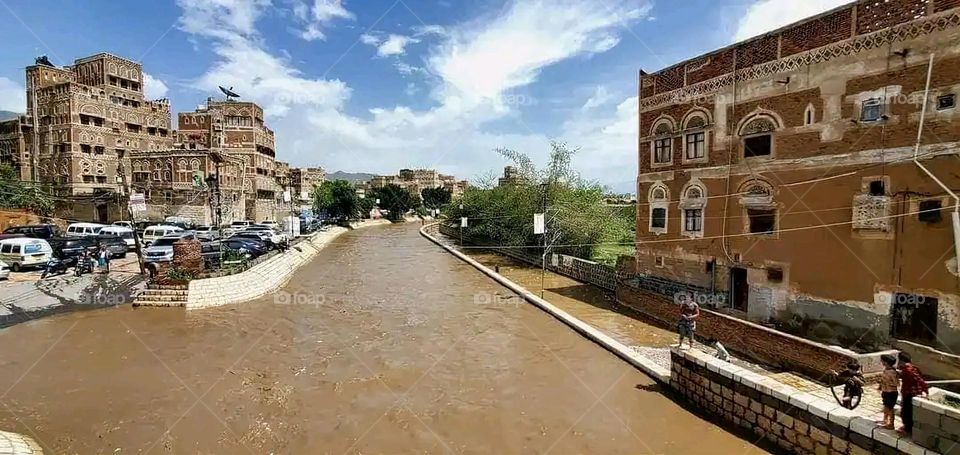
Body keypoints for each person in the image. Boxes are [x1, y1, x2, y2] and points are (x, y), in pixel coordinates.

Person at [898, 351, 929, 435]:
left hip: (910, 393)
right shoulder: (912, 368)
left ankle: (907, 429)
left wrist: (925, 389)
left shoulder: (908, 371)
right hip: (909, 392)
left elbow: (918, 380)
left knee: (906, 411)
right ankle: (907, 427)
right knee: (907, 411)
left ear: (901, 360)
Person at [878, 354, 899, 429]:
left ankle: (891, 424)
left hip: (891, 392)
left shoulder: (892, 372)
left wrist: (888, 384)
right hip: (885, 391)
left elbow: (896, 383)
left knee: (890, 408)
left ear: (886, 362)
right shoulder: (886, 370)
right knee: (886, 406)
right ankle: (885, 420)